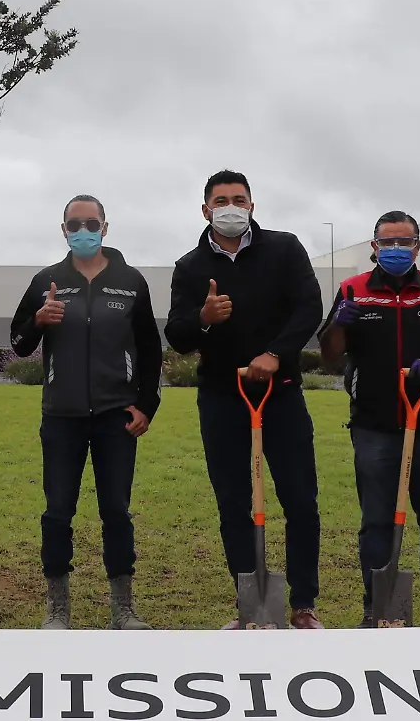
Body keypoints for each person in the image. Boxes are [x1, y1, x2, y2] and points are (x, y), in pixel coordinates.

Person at [165, 170, 326, 629]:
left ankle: (303, 604)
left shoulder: (284, 248)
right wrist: (203, 316)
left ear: (252, 205)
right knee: (233, 501)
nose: (230, 207)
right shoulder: (190, 267)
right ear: (205, 210)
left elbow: (308, 307)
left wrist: (276, 353)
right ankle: (251, 605)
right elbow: (176, 335)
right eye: (220, 200)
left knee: (299, 498)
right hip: (222, 396)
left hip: (282, 394)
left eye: (238, 199)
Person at [9, 194, 164, 631]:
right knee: (58, 510)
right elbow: (18, 341)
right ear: (63, 230)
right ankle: (57, 608)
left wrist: (147, 405)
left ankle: (124, 609)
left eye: (91, 223)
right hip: (62, 415)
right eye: (74, 224)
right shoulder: (48, 279)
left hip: (117, 416)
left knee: (116, 510)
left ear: (105, 227)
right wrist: (39, 319)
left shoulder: (131, 281)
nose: (83, 230)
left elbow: (151, 350)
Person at [320, 210, 420, 628]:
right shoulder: (352, 290)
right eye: (387, 243)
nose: (395, 249)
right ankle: (378, 609)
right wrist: (338, 324)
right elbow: (330, 353)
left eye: (403, 242)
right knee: (376, 523)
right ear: (374, 248)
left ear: (417, 247)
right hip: (373, 426)